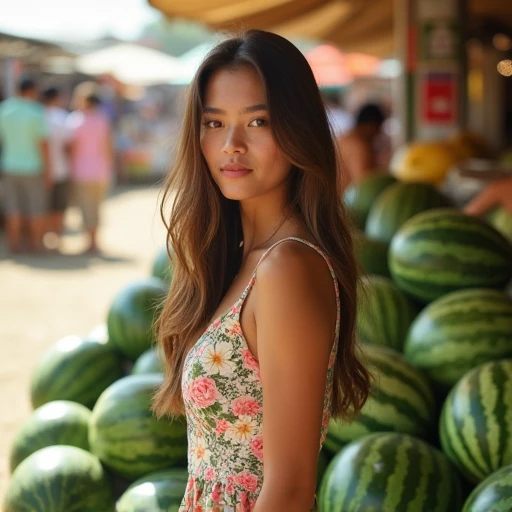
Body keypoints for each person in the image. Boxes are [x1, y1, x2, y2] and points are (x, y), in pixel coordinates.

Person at [152, 30, 371, 512]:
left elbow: (290, 490)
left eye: (258, 121)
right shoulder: (239, 259)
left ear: (297, 129)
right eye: (214, 123)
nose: (231, 145)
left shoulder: (287, 268)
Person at [0, 77, 50, 253]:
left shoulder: (5, 110)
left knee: (12, 208)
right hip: (32, 167)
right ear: (32, 91)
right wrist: (48, 170)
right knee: (35, 208)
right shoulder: (36, 111)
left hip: (8, 166)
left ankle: (14, 245)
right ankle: (35, 244)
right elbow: (43, 144)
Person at [67, 92, 114, 254]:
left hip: (81, 171)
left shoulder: (75, 120)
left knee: (85, 207)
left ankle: (90, 242)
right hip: (101, 171)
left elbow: (72, 148)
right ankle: (95, 241)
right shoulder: (102, 120)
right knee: (96, 207)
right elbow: (108, 146)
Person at [42, 86, 72, 247]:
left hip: (40, 171)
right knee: (59, 207)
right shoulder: (63, 118)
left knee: (44, 207)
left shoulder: (39, 116)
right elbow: (69, 146)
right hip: (62, 169)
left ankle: (46, 239)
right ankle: (57, 239)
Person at [338, 102, 386, 189]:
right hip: (348, 201)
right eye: (378, 129)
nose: (378, 134)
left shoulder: (343, 139)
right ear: (371, 125)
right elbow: (365, 187)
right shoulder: (359, 147)